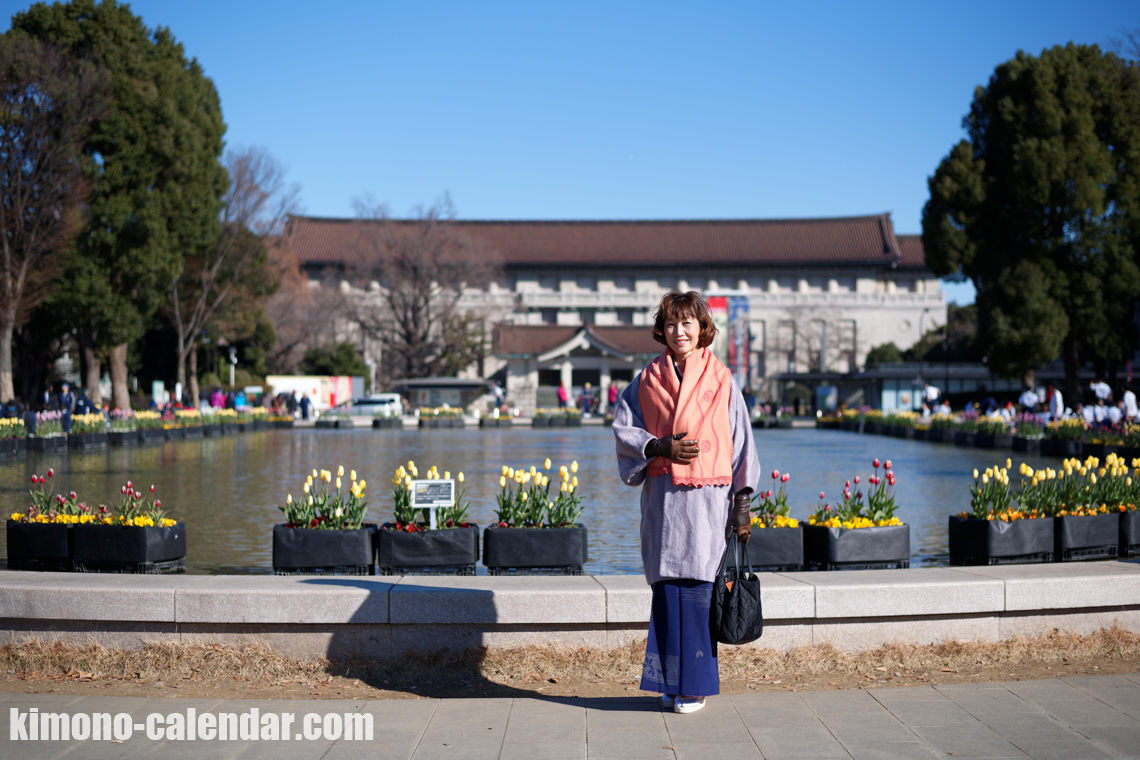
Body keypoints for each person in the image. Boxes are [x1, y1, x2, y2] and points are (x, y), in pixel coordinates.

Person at [612, 290, 760, 715]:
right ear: (662, 329)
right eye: (671, 323)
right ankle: (669, 682)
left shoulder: (722, 379)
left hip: (706, 504)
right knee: (666, 592)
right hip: (663, 502)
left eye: (688, 323)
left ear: (702, 329)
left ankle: (694, 687)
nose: (679, 331)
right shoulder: (646, 380)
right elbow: (623, 429)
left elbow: (742, 441)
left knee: (698, 591)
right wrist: (657, 446)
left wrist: (742, 503)